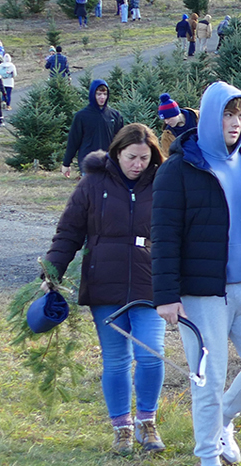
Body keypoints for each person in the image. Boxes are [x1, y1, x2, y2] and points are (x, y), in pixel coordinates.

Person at [152, 82, 241, 466]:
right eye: (228, 114)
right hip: (202, 293)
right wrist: (166, 295)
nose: (236, 123)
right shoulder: (179, 169)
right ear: (211, 116)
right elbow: (164, 235)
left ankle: (223, 420)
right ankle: (208, 457)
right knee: (207, 382)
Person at [43, 124, 166, 455]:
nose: (138, 164)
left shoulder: (162, 184)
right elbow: (68, 231)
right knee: (116, 360)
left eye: (144, 158)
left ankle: (147, 422)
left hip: (148, 282)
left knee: (152, 355)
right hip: (104, 283)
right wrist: (52, 271)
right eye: (131, 157)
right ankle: (122, 428)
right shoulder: (93, 183)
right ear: (117, 153)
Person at [63, 80, 125, 179]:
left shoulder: (115, 115)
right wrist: (66, 163)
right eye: (99, 94)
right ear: (93, 94)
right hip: (88, 163)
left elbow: (121, 141)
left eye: (105, 94)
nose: (102, 97)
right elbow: (73, 141)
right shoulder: (82, 116)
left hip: (109, 163)